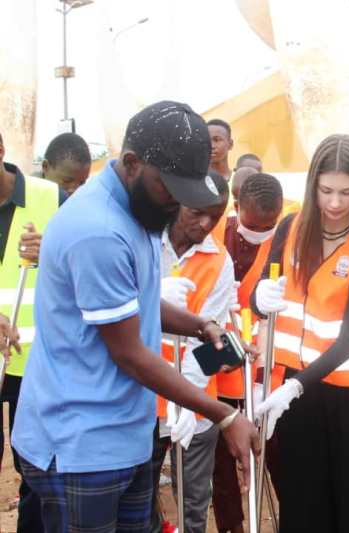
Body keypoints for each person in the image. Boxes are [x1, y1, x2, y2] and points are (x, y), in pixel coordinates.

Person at [10, 101, 258, 531]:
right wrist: (225, 414)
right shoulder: (98, 229)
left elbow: (137, 300)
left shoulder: (139, 209)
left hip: (126, 435)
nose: (178, 202)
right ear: (131, 163)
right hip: (80, 448)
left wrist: (200, 325)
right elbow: (128, 352)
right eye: (171, 188)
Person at [251, 134, 349, 532]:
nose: (334, 203)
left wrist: (294, 386)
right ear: (313, 184)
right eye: (326, 190)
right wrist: (257, 297)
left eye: (346, 193)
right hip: (299, 400)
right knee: (304, 509)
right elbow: (267, 287)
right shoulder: (291, 228)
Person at [149, 172, 234, 533]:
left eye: (214, 217)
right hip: (142, 401)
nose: (204, 224)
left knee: (192, 508)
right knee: (138, 500)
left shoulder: (220, 261)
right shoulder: (145, 237)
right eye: (196, 213)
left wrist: (187, 402)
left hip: (195, 407)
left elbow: (209, 342)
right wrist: (153, 298)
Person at [0, 131, 64, 533]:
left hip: (36, 361)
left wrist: (52, 249)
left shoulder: (51, 196)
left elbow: (84, 261)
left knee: (35, 468)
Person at [216, 172, 283, 533]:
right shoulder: (215, 234)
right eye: (253, 224)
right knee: (223, 474)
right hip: (219, 379)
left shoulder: (286, 242)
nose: (260, 231)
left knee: (278, 463)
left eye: (268, 224)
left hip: (267, 380)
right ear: (236, 206)